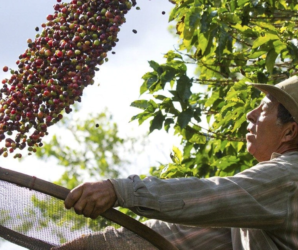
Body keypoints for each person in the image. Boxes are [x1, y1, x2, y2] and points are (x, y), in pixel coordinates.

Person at [59, 76, 298, 249]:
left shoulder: (289, 176)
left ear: (290, 132)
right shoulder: (257, 207)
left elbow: (213, 196)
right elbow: (181, 234)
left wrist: (120, 190)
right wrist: (99, 244)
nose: (251, 114)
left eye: (265, 107)